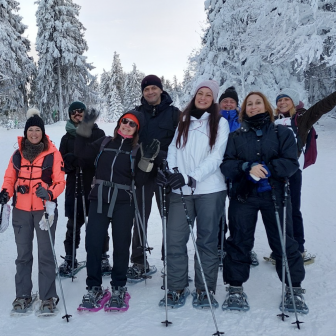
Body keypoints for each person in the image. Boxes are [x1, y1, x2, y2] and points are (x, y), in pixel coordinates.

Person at [221, 92, 307, 313]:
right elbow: (227, 165)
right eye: (249, 104)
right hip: (244, 195)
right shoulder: (236, 136)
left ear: (266, 107)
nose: (254, 107)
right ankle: (235, 288)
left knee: (283, 240)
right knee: (239, 240)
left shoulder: (283, 132)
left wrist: (269, 169)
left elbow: (291, 162)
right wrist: (246, 167)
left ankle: (293, 288)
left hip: (275, 195)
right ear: (244, 109)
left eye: (258, 103)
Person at [74, 109, 160, 310]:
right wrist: (84, 128)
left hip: (124, 201)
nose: (127, 126)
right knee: (93, 243)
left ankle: (119, 287)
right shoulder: (104, 142)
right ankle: (94, 287)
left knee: (121, 245)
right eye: (125, 121)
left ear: (136, 129)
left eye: (132, 124)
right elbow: (81, 155)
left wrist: (147, 160)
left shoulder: (137, 149)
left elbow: (139, 180)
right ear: (119, 123)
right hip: (99, 198)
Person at [159, 80, 230, 309]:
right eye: (200, 93)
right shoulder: (183, 121)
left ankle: (204, 288)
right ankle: (177, 287)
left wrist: (192, 177)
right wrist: (172, 173)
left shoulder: (220, 123)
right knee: (175, 240)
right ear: (194, 95)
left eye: (208, 95)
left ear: (213, 99)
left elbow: (216, 157)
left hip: (210, 189)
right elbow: (172, 149)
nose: (203, 98)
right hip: (181, 191)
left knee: (207, 241)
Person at [0, 108, 65, 313]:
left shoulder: (53, 154)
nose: (34, 133)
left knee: (46, 254)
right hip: (20, 210)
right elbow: (10, 179)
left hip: (44, 210)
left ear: (43, 132)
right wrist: (4, 193)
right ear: (26, 132)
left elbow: (60, 182)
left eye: (38, 130)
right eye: (31, 130)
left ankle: (47, 297)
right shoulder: (17, 155)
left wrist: (50, 193)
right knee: (23, 255)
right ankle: (23, 295)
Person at [273, 88, 336, 263]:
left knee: (293, 211)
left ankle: (298, 249)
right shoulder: (271, 121)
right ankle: (279, 250)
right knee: (276, 212)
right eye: (279, 100)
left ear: (293, 102)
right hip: (274, 173)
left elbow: (321, 107)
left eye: (286, 99)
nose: (282, 102)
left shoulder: (301, 118)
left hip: (292, 172)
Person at [128, 75, 180, 278]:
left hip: (165, 173)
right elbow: (127, 139)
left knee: (169, 218)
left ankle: (171, 262)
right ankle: (139, 262)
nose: (150, 92)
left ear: (160, 90)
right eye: (146, 89)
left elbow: (182, 143)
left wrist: (164, 160)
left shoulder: (175, 114)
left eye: (153, 88)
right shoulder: (137, 114)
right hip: (142, 173)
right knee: (139, 217)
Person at [58, 101, 111, 276]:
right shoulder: (66, 138)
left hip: (95, 184)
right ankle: (70, 257)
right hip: (75, 185)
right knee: (73, 223)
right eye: (73, 112)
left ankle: (102, 256)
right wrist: (70, 162)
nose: (77, 114)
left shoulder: (98, 133)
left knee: (99, 224)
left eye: (80, 111)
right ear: (70, 115)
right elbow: (61, 164)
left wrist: (84, 159)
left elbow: (102, 157)